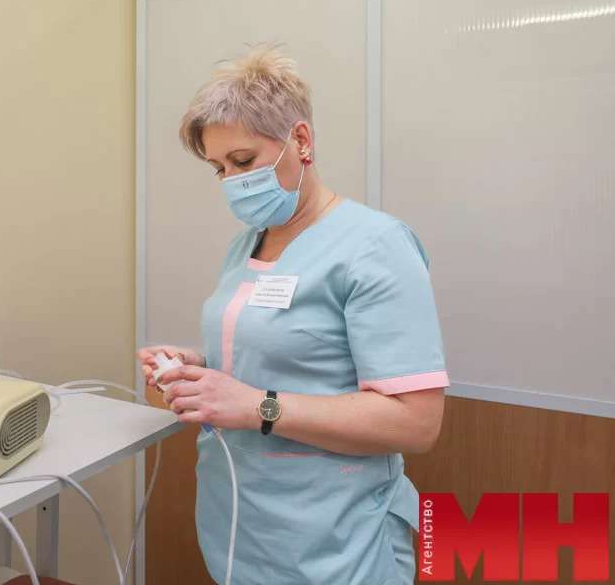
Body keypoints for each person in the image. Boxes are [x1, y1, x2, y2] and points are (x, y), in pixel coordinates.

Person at [137, 44, 447, 585]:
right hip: (243, 523)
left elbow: (416, 423)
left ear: (300, 141)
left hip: (337, 539)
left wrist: (256, 405)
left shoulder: (375, 245)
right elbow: (288, 355)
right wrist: (198, 368)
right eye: (218, 168)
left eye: (243, 161)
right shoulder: (246, 245)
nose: (231, 181)